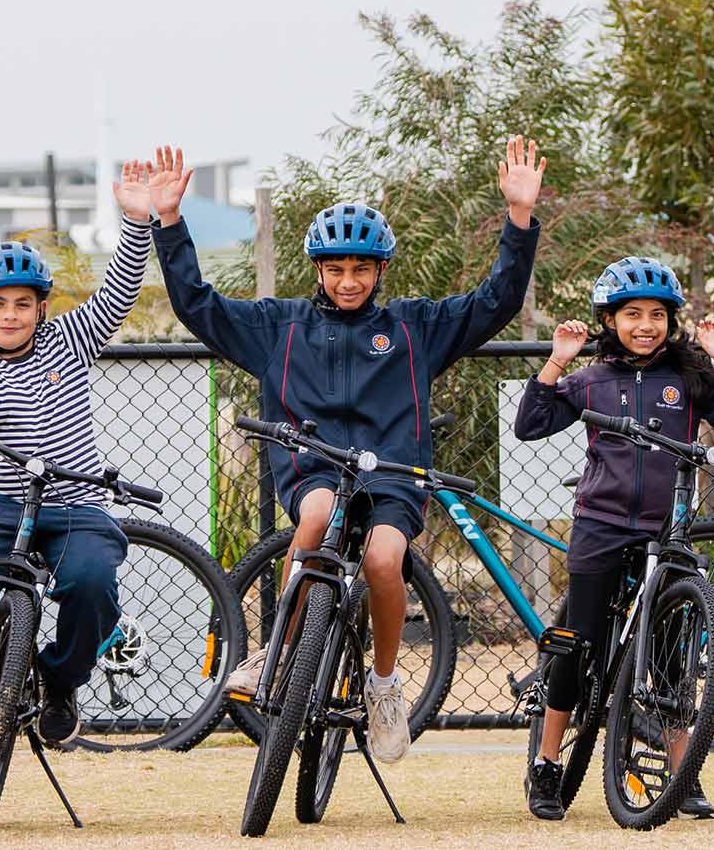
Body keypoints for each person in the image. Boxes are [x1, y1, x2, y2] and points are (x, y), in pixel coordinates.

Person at [149, 139, 545, 763]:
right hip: (313, 468)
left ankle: (383, 686)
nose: (348, 281)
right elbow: (196, 304)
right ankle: (278, 652)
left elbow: (495, 301)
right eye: (335, 269)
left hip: (392, 474)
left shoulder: (414, 328)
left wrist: (519, 218)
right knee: (315, 514)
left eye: (361, 269)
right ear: (318, 270)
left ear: (380, 271)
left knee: (386, 559)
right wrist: (170, 221)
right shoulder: (278, 327)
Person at [0, 161, 158, 746]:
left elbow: (119, 290)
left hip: (75, 503)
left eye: (22, 303)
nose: (10, 315)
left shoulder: (69, 340)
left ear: (42, 308)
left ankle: (61, 682)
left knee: (92, 581)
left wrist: (137, 221)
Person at [513, 256, 714, 821]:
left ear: (671, 321)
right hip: (600, 524)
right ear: (610, 320)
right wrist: (557, 361)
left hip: (667, 530)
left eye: (657, 314)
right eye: (632, 314)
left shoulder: (688, 379)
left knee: (673, 659)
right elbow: (530, 424)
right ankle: (547, 763)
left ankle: (683, 773)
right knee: (575, 645)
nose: (646, 325)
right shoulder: (591, 380)